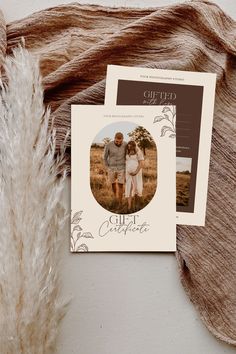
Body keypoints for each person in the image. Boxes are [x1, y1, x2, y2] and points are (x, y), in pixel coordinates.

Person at [103, 132, 127, 210]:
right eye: (117, 141)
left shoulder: (126, 144)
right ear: (114, 138)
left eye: (120, 141)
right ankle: (115, 197)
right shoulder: (108, 145)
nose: (118, 143)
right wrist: (107, 167)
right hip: (111, 168)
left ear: (123, 139)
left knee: (121, 184)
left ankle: (120, 201)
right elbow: (105, 157)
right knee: (113, 183)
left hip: (122, 168)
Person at [125, 140, 144, 211]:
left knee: (137, 188)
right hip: (128, 173)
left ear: (134, 146)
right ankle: (129, 206)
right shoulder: (126, 152)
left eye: (131, 146)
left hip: (137, 173)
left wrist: (136, 172)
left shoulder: (138, 152)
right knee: (129, 188)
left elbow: (141, 163)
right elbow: (126, 162)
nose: (129, 147)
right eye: (128, 146)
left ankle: (137, 205)